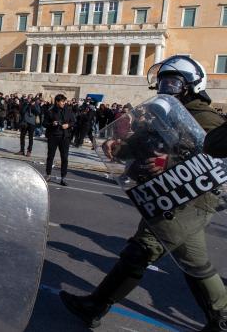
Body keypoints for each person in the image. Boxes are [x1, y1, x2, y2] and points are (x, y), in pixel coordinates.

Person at [60, 55, 227, 331]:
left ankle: (95, 306)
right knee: (194, 262)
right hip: (170, 195)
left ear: (192, 85)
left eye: (173, 82)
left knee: (141, 249)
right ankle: (221, 317)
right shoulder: (168, 112)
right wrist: (119, 147)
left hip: (190, 197)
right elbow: (148, 141)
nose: (166, 88)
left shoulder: (203, 116)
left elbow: (216, 155)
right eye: (163, 82)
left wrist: (169, 162)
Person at [43, 94, 75, 186]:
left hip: (65, 137)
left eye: (64, 101)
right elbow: (44, 123)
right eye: (62, 101)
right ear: (57, 102)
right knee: (50, 156)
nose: (64, 103)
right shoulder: (50, 111)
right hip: (53, 136)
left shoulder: (68, 111)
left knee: (64, 158)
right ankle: (48, 175)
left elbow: (74, 122)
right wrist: (52, 124)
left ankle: (63, 178)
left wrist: (68, 125)